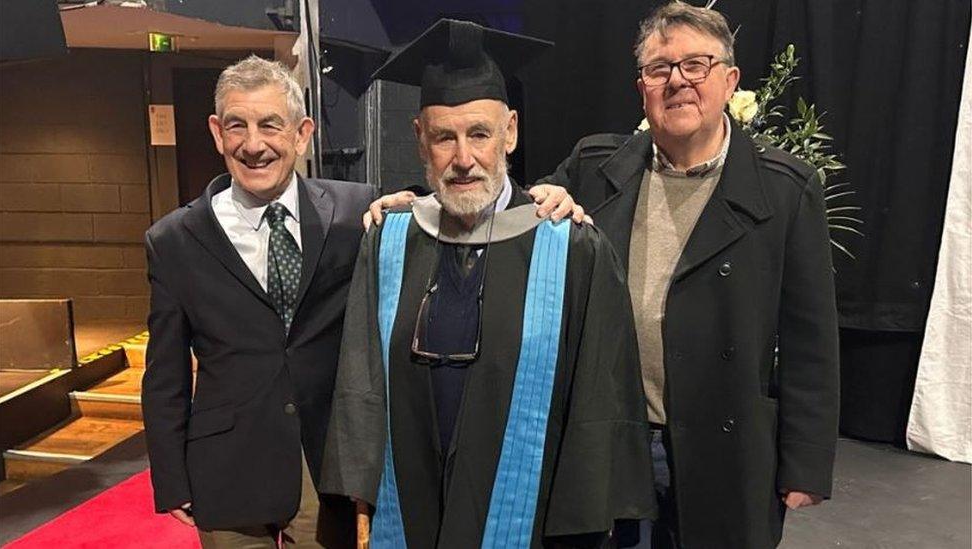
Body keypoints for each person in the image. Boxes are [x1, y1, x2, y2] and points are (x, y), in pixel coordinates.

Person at [319, 19, 656, 548]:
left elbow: (600, 397)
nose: (463, 158)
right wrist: (358, 496)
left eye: (479, 133)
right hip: (410, 499)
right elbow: (358, 379)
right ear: (419, 140)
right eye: (443, 137)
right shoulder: (388, 241)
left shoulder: (571, 247)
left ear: (511, 133)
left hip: (531, 515)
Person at [540, 3, 840, 548]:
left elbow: (810, 338)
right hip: (610, 439)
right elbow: (508, 214)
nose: (677, 80)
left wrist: (806, 463)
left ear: (730, 81)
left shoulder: (785, 189)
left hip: (724, 444)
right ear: (642, 88)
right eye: (660, 69)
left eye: (695, 65)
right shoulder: (594, 168)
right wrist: (411, 206)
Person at [142, 55, 377, 548]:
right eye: (236, 126)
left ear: (301, 133)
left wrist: (544, 200)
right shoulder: (174, 240)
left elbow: (447, 206)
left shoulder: (356, 213)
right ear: (216, 132)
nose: (253, 145)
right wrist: (170, 477)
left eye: (270, 125)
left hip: (326, 469)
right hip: (226, 472)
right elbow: (164, 373)